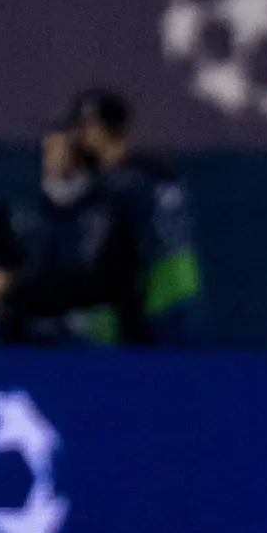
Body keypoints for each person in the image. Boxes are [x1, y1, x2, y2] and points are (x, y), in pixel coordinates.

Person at [0, 115, 141, 343]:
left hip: (91, 343)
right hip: (27, 339)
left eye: (67, 150)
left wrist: (11, 285)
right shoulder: (24, 212)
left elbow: (87, 282)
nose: (56, 159)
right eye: (50, 150)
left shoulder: (105, 214)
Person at [69, 88, 204, 343]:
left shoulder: (122, 183)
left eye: (84, 128)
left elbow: (118, 257)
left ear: (97, 131)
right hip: (182, 291)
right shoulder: (157, 171)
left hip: (152, 299)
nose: (79, 137)